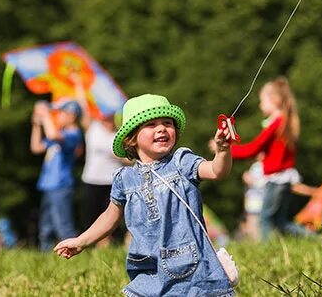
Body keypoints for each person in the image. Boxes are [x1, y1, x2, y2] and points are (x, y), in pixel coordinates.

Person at [53, 94, 235, 296]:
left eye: (167, 123)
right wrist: (82, 241)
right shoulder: (125, 178)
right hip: (148, 271)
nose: (161, 128)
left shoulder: (182, 162)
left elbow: (217, 171)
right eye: (151, 124)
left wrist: (222, 151)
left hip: (193, 268)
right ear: (132, 139)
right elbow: (109, 217)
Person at [231, 77, 311, 240]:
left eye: (262, 101)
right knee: (280, 222)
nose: (260, 105)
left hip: (276, 180)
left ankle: (268, 254)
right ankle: (319, 239)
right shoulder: (286, 122)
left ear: (275, 100)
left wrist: (226, 149)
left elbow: (253, 149)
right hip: (286, 179)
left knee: (264, 220)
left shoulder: (276, 123)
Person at [74, 78, 132, 247]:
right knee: (92, 216)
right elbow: (83, 106)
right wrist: (79, 86)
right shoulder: (93, 128)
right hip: (92, 179)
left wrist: (121, 157)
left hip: (113, 181)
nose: (107, 118)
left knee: (113, 217)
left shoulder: (120, 135)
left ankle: (106, 247)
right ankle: (98, 246)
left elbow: (130, 159)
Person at [30, 99, 84, 250]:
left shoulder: (73, 134)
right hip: (48, 185)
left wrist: (45, 113)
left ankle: (72, 255)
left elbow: (53, 135)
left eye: (61, 113)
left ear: (72, 115)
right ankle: (45, 257)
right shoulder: (60, 133)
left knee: (63, 226)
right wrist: (37, 124)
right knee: (45, 228)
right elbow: (36, 147)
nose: (58, 116)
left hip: (61, 185)